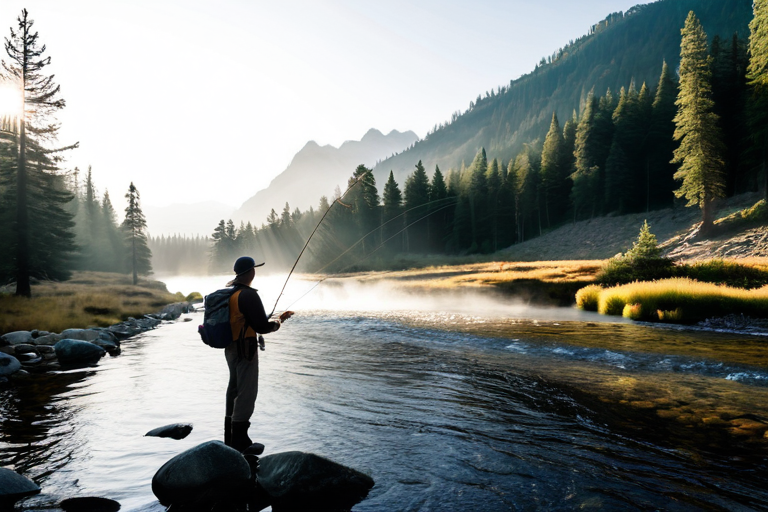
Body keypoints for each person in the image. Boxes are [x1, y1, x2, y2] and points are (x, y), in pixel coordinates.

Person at [225, 256, 293, 451]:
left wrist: (271, 320)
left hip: (230, 347)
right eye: (254, 269)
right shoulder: (248, 295)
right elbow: (262, 327)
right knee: (247, 391)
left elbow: (246, 319)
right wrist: (278, 323)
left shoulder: (230, 292)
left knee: (234, 388)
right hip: (245, 348)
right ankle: (240, 439)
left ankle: (228, 435)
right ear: (250, 272)